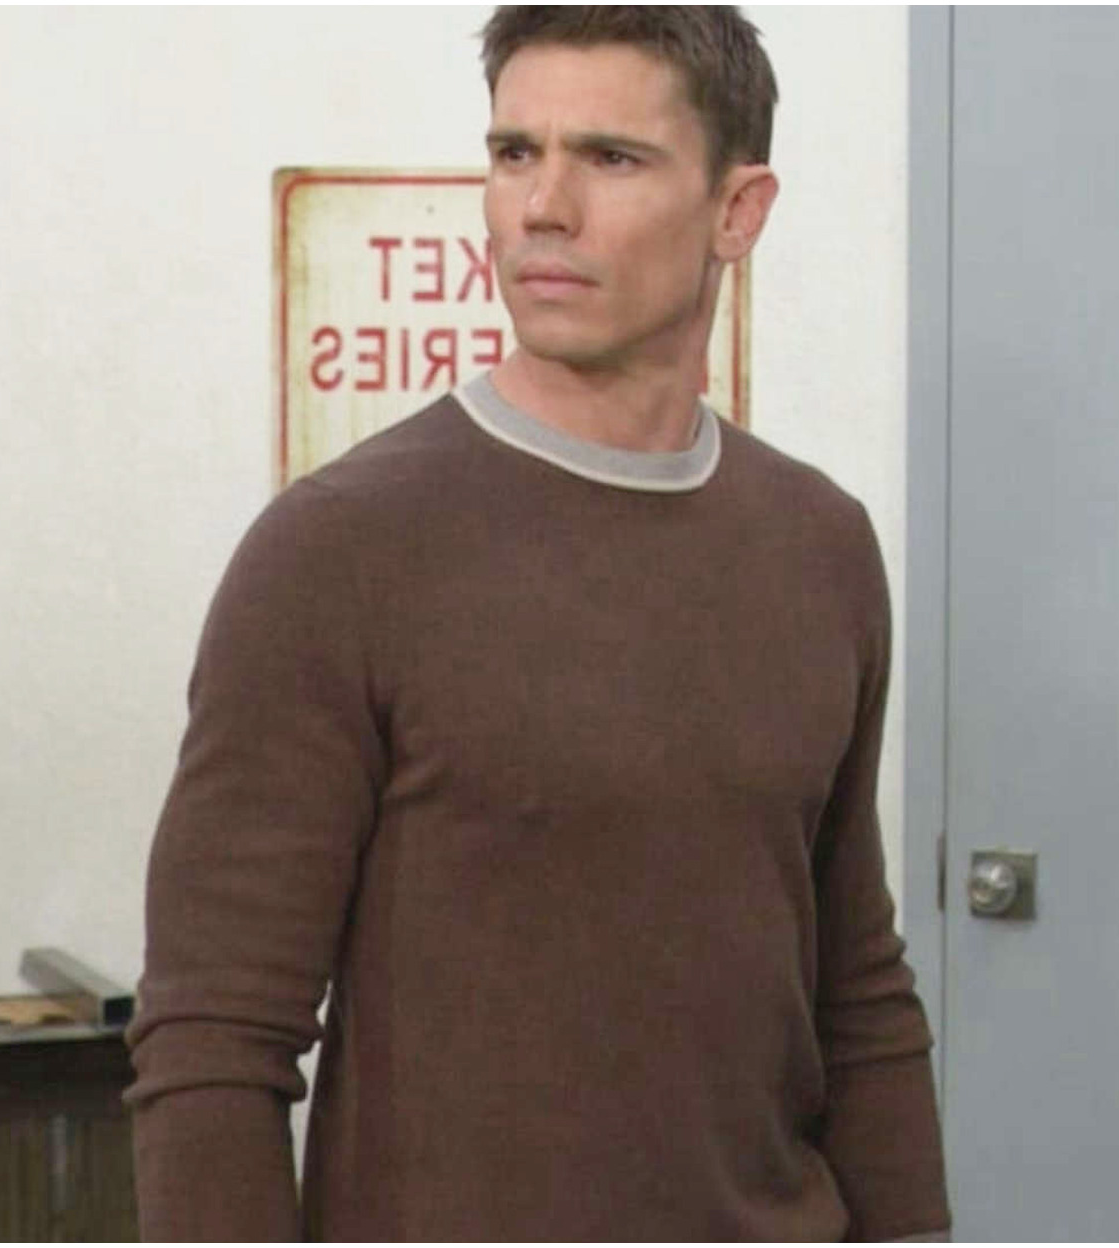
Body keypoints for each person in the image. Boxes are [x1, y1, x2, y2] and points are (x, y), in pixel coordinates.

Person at [125, 7, 950, 1240]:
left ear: (737, 210)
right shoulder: (339, 553)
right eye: (516, 153)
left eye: (610, 158)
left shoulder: (818, 546)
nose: (543, 209)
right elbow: (210, 1042)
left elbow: (856, 992)